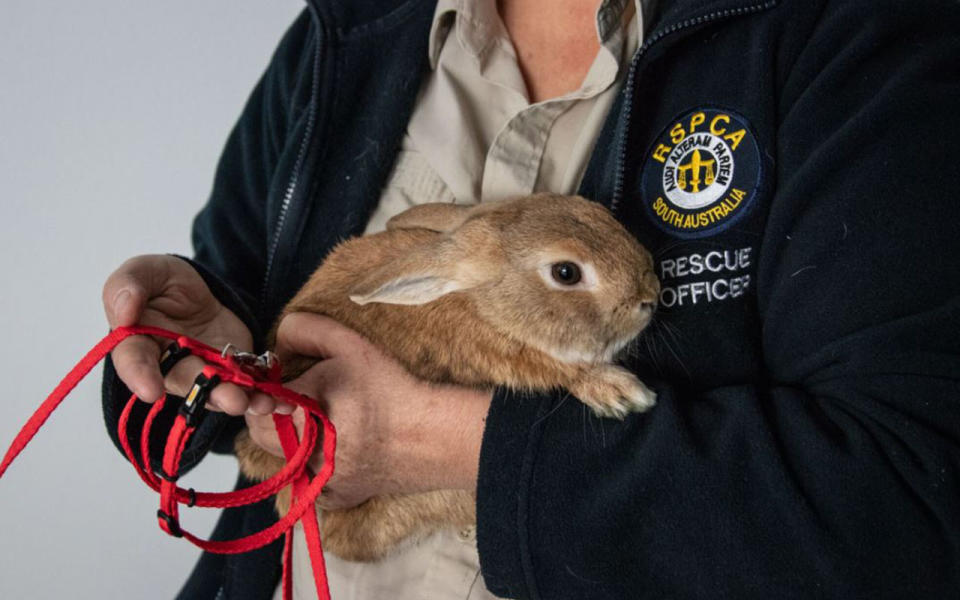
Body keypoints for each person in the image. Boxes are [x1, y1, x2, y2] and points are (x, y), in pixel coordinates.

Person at [100, 0, 960, 598]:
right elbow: (241, 324)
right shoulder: (348, 29)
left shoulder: (854, 41)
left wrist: (453, 448)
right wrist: (199, 352)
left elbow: (908, 512)